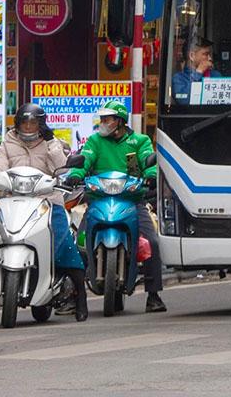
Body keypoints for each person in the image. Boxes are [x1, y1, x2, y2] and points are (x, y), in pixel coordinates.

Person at [0, 103, 88, 321]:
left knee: (62, 244)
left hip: (47, 201)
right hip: (13, 200)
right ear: (17, 123)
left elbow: (64, 168)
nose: (29, 127)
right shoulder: (8, 142)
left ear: (41, 124)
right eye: (25, 122)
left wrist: (52, 143)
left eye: (33, 123)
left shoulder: (53, 143)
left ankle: (80, 295)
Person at [66, 101, 166, 313]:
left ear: (119, 121)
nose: (103, 123)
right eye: (101, 119)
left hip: (132, 200)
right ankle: (73, 296)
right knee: (78, 244)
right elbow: (86, 158)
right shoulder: (95, 141)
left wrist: (150, 176)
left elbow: (147, 160)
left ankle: (153, 294)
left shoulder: (139, 141)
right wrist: (75, 175)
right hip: (98, 200)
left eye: (107, 119)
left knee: (152, 243)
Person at [172, 39, 221, 105]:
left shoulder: (215, 75)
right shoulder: (179, 78)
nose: (210, 58)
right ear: (192, 56)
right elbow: (184, 101)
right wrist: (198, 72)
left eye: (210, 54)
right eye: (205, 54)